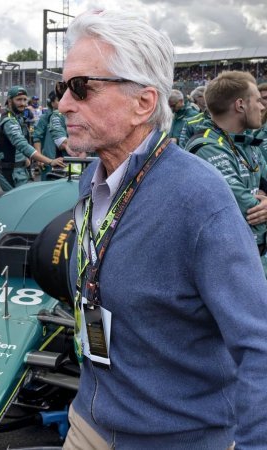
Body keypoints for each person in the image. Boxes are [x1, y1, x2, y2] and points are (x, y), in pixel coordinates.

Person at [59, 10, 267, 449]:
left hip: (177, 438)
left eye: (82, 87)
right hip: (88, 425)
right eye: (63, 87)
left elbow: (258, 343)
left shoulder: (198, 196)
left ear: (144, 102)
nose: (63, 103)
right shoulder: (91, 176)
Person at [185, 71, 267, 274]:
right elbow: (246, 209)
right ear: (240, 105)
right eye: (257, 101)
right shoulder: (206, 146)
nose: (262, 107)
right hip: (228, 266)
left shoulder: (248, 142)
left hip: (254, 262)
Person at [0, 86, 65, 191]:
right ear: (9, 100)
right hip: (11, 173)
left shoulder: (17, 117)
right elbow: (22, 144)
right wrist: (50, 161)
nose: (23, 103)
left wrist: (25, 159)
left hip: (19, 170)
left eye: (24, 99)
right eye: (18, 100)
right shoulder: (9, 120)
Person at [32, 90, 72, 179]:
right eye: (59, 100)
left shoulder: (68, 116)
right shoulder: (44, 118)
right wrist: (39, 157)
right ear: (52, 103)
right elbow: (37, 138)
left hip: (66, 158)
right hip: (50, 159)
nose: (62, 102)